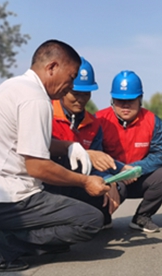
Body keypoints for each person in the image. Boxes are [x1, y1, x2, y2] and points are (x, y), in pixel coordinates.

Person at [0, 40, 118, 272]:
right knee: (90, 220)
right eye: (71, 77)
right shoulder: (36, 99)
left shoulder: (15, 86)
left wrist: (67, 147)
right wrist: (85, 181)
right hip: (4, 200)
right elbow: (37, 167)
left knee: (68, 226)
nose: (71, 85)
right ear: (52, 67)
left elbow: (27, 143)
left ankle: (5, 237)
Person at [46, 57, 124, 228]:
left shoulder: (94, 124)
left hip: (79, 184)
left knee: (116, 186)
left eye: (86, 93)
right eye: (75, 93)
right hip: (51, 183)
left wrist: (109, 181)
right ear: (64, 89)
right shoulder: (46, 114)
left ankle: (95, 218)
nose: (81, 99)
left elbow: (97, 166)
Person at [95, 70, 162, 233]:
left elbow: (161, 155)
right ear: (112, 100)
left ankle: (142, 217)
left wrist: (135, 169)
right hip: (110, 179)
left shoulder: (153, 121)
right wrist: (116, 175)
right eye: (120, 100)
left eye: (130, 100)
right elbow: (93, 155)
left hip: (138, 177)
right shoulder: (99, 120)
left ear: (140, 99)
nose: (125, 105)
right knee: (111, 186)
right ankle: (103, 217)